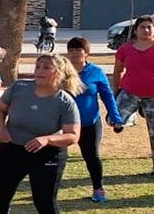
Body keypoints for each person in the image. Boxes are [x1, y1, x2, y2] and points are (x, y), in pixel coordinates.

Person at [0, 54, 82, 214]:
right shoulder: (19, 88)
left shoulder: (64, 101)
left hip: (48, 154)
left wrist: (47, 139)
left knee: (44, 200)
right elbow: (0, 110)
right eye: (38, 66)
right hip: (12, 148)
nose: (39, 70)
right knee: (1, 191)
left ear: (58, 73)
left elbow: (72, 136)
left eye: (46, 67)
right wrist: (1, 128)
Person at [66, 37, 122, 202]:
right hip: (64, 123)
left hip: (90, 122)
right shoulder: (61, 71)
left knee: (91, 156)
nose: (75, 53)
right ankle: (46, 190)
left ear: (87, 53)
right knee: (53, 156)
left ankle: (98, 188)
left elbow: (107, 96)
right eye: (72, 50)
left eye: (79, 50)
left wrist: (115, 116)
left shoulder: (96, 72)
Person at [112, 14, 154, 173]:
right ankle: (131, 117)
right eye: (142, 27)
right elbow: (117, 71)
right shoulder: (126, 49)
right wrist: (115, 92)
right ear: (135, 30)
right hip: (130, 92)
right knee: (113, 120)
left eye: (149, 27)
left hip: (152, 96)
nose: (146, 30)